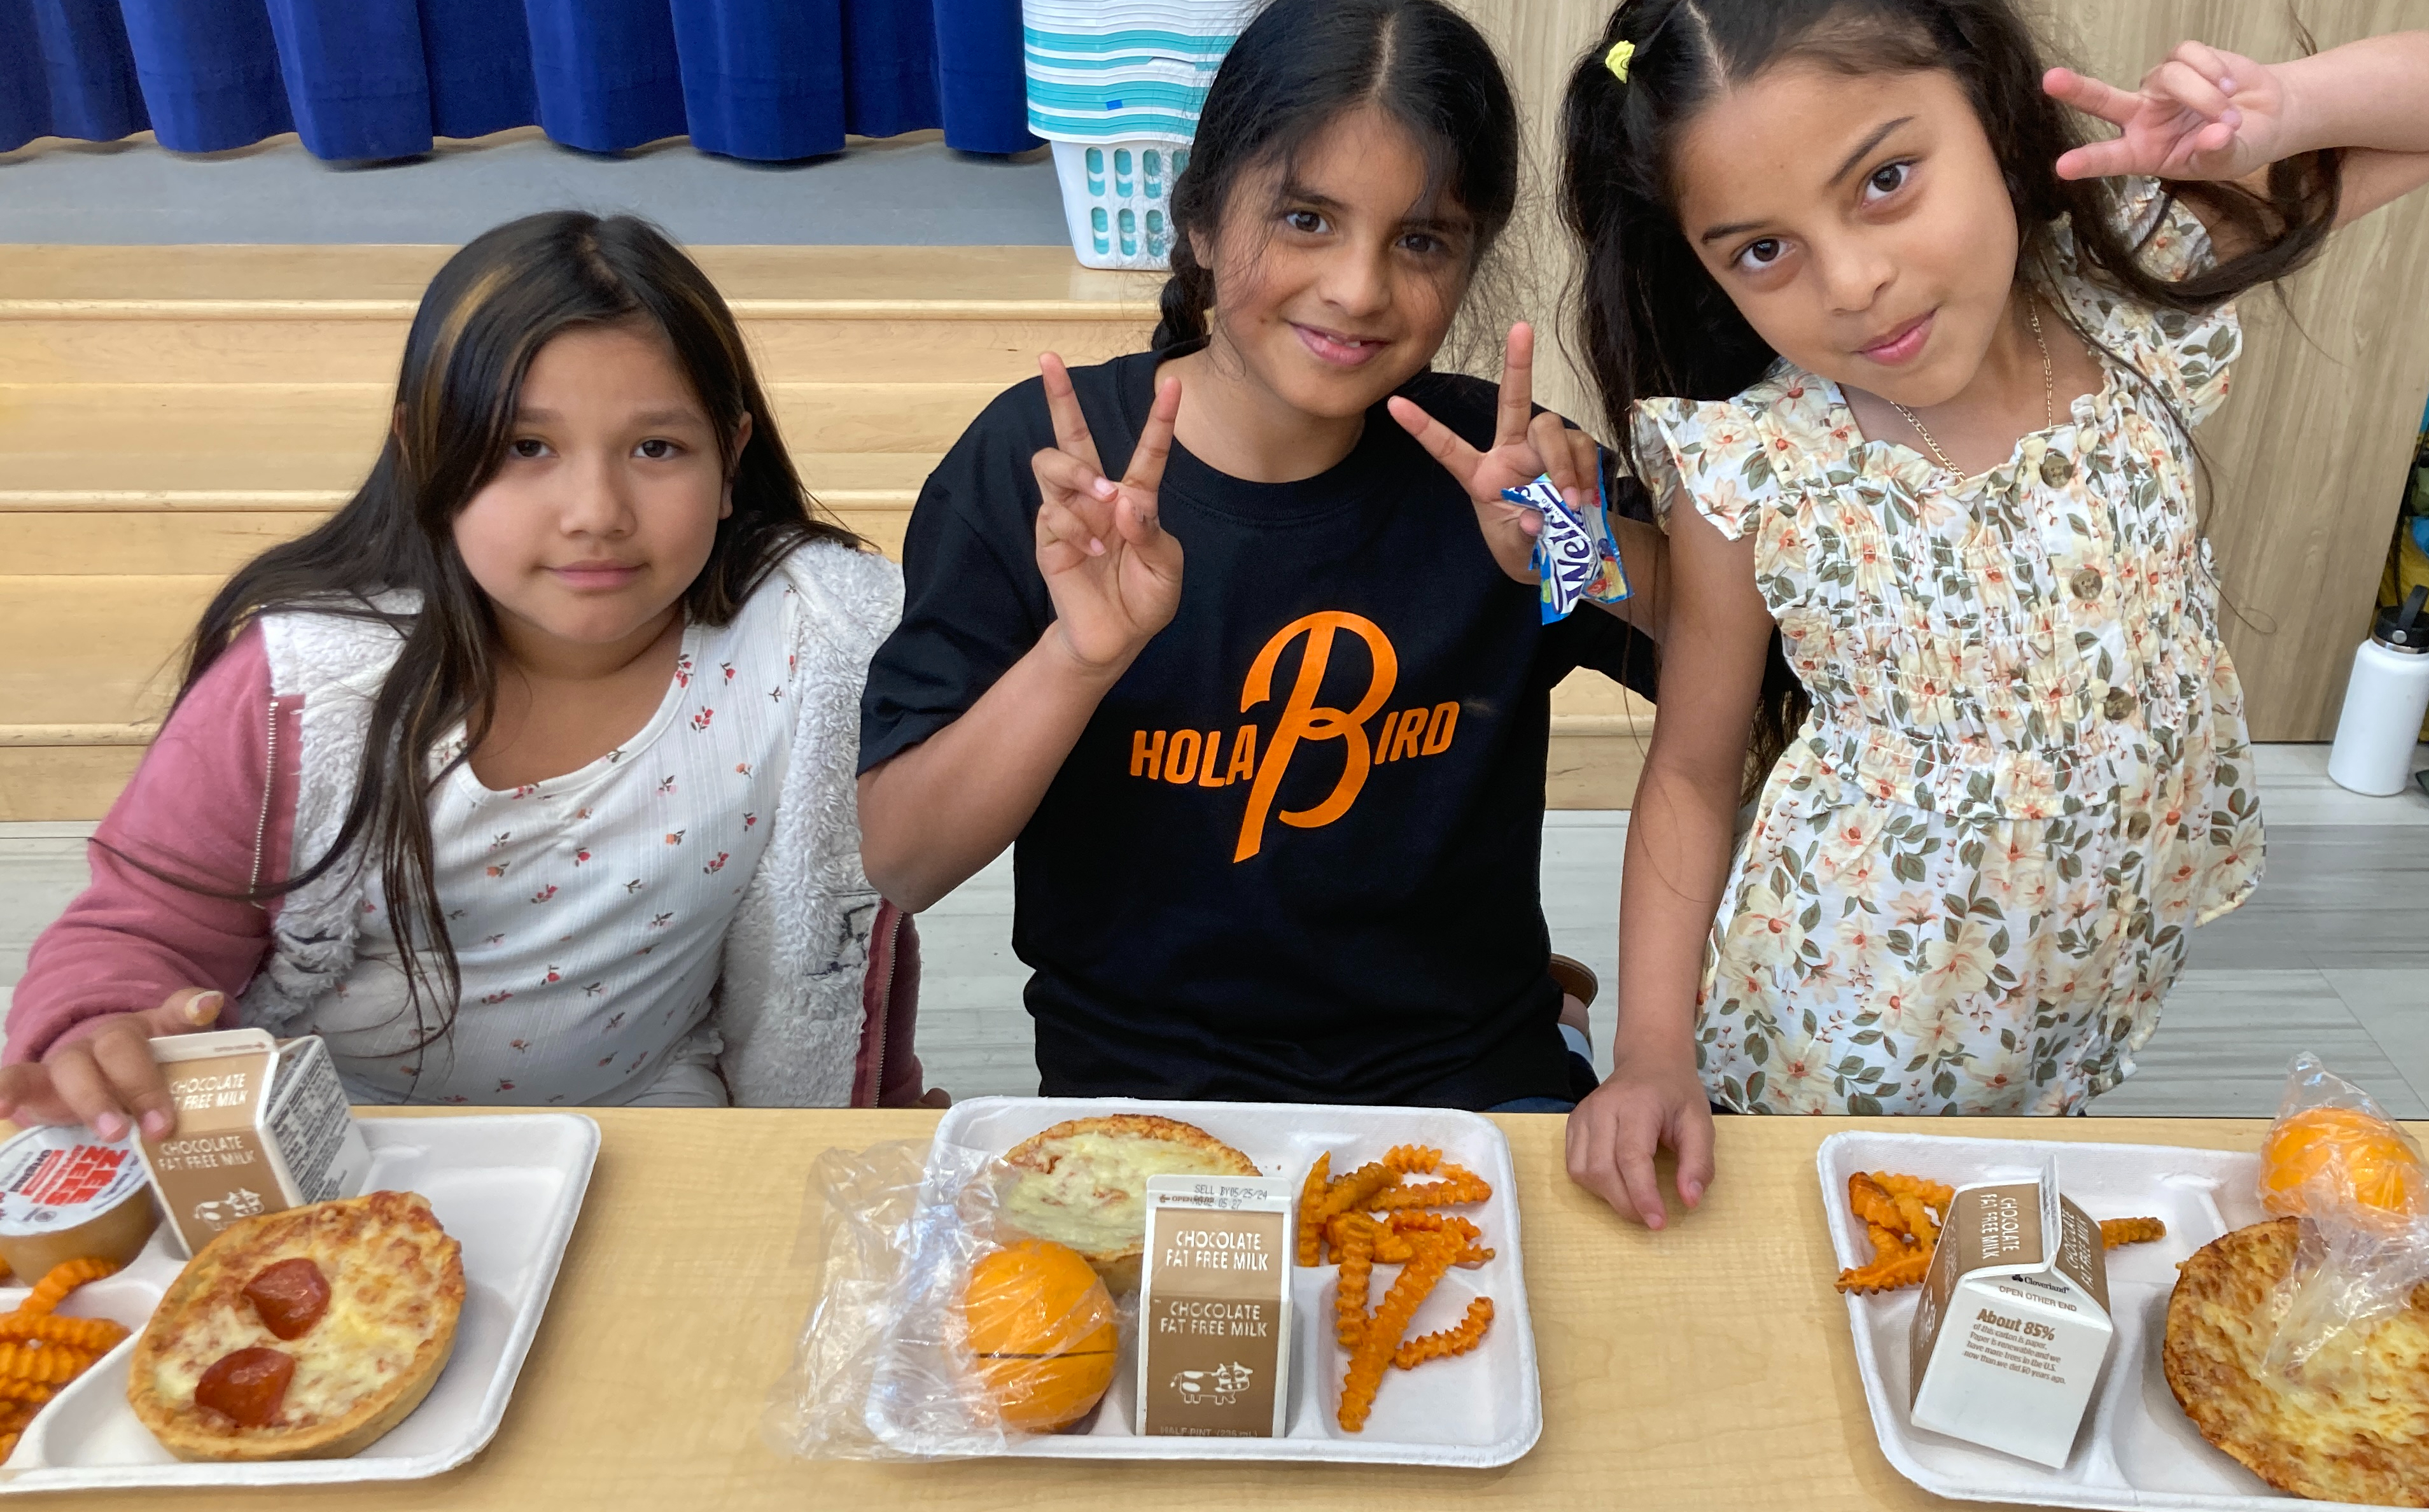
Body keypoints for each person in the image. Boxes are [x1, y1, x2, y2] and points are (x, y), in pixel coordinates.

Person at [1556, 0, 2429, 1222]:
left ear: (1989, 111)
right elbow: (1691, 774)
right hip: (1854, 1009)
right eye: (1761, 251)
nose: (1854, 282)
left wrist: (2282, 115)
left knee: (2013, 1230)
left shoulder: (2130, 291)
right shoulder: (1755, 465)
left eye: (1888, 179)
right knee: (1841, 1252)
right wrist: (1651, 1054)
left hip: (2086, 955)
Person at [858, 0, 1663, 1111]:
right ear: (1199, 219)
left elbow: (1757, 667)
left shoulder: (1497, 463)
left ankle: (1557, 1022)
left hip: (1467, 1082)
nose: (1359, 288)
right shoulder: (1044, 464)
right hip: (1141, 1098)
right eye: (1304, 219)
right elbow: (904, 860)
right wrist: (1077, 659)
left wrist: (1575, 547)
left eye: (1421, 239)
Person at [3, 213, 929, 1135]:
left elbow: (840, 950)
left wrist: (881, 1127)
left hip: (654, 1117)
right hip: (340, 1136)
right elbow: (141, 930)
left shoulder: (811, 650)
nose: (595, 512)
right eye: (526, 448)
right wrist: (96, 1028)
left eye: (656, 449)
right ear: (424, 453)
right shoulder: (305, 689)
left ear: (730, 462)